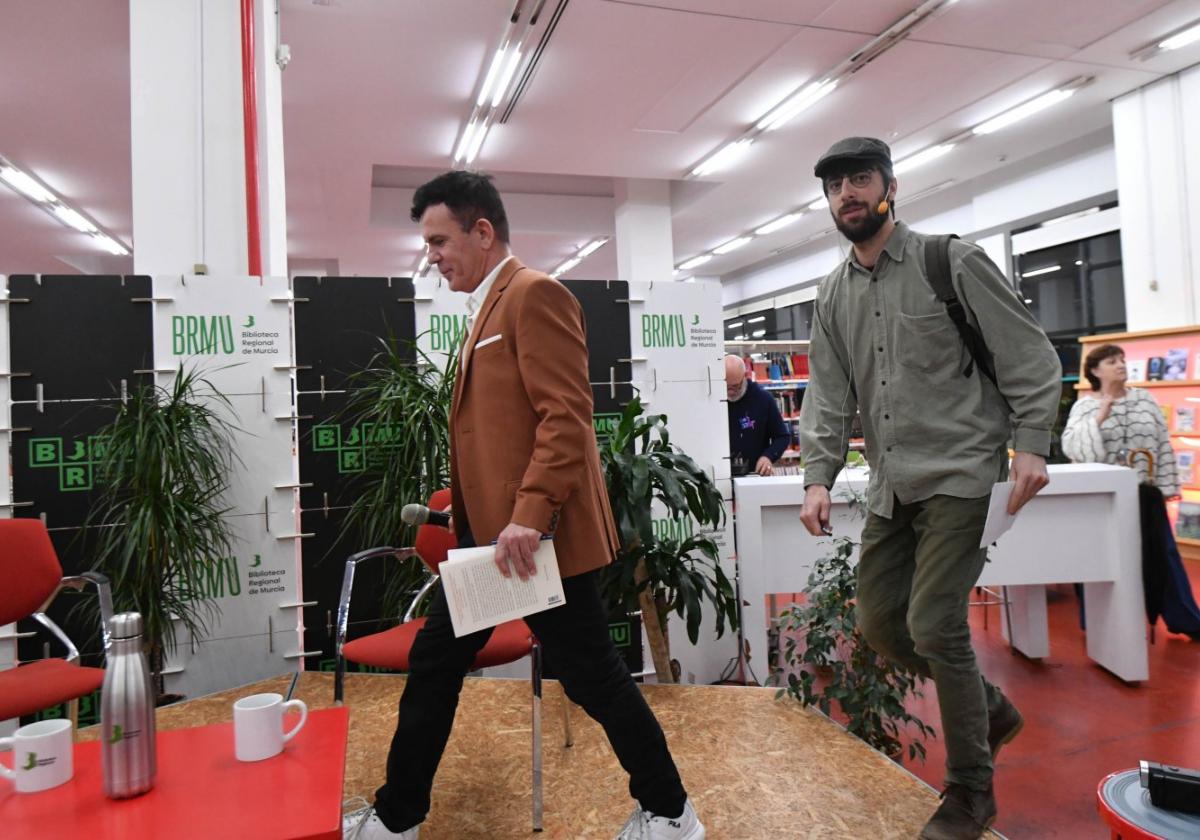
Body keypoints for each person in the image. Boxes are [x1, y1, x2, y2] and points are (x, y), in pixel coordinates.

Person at [346, 171, 703, 840]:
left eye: (440, 240)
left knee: (591, 676)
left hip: (536, 545)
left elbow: (565, 419)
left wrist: (529, 514)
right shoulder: (488, 304)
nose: (433, 256)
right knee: (438, 664)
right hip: (495, 546)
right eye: (427, 244)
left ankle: (672, 811)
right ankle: (398, 816)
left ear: (483, 231)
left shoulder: (534, 294)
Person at [797, 137, 1062, 840]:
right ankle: (988, 707)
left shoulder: (952, 261)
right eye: (834, 187)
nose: (847, 195)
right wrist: (816, 478)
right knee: (881, 623)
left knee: (936, 624)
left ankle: (971, 792)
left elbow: (1029, 353)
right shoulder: (831, 293)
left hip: (963, 474)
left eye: (859, 180)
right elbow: (826, 393)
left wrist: (1032, 441)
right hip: (893, 484)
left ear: (889, 186)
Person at [1062, 343, 1200, 638]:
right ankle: (1101, 622)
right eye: (1112, 361)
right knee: (1101, 557)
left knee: (1163, 555)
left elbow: (1162, 444)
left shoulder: (1145, 400)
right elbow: (1073, 448)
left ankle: (1186, 619)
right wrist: (1100, 415)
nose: (1121, 365)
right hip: (1103, 497)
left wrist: (1167, 486)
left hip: (1145, 494)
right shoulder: (1085, 405)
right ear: (1096, 370)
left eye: (1122, 360)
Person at [725, 354, 791, 476]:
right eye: (726, 386)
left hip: (754, 474)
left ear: (745, 376)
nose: (730, 392)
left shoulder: (763, 399)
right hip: (721, 475)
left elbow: (782, 437)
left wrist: (768, 457)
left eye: (735, 386)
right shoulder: (713, 402)